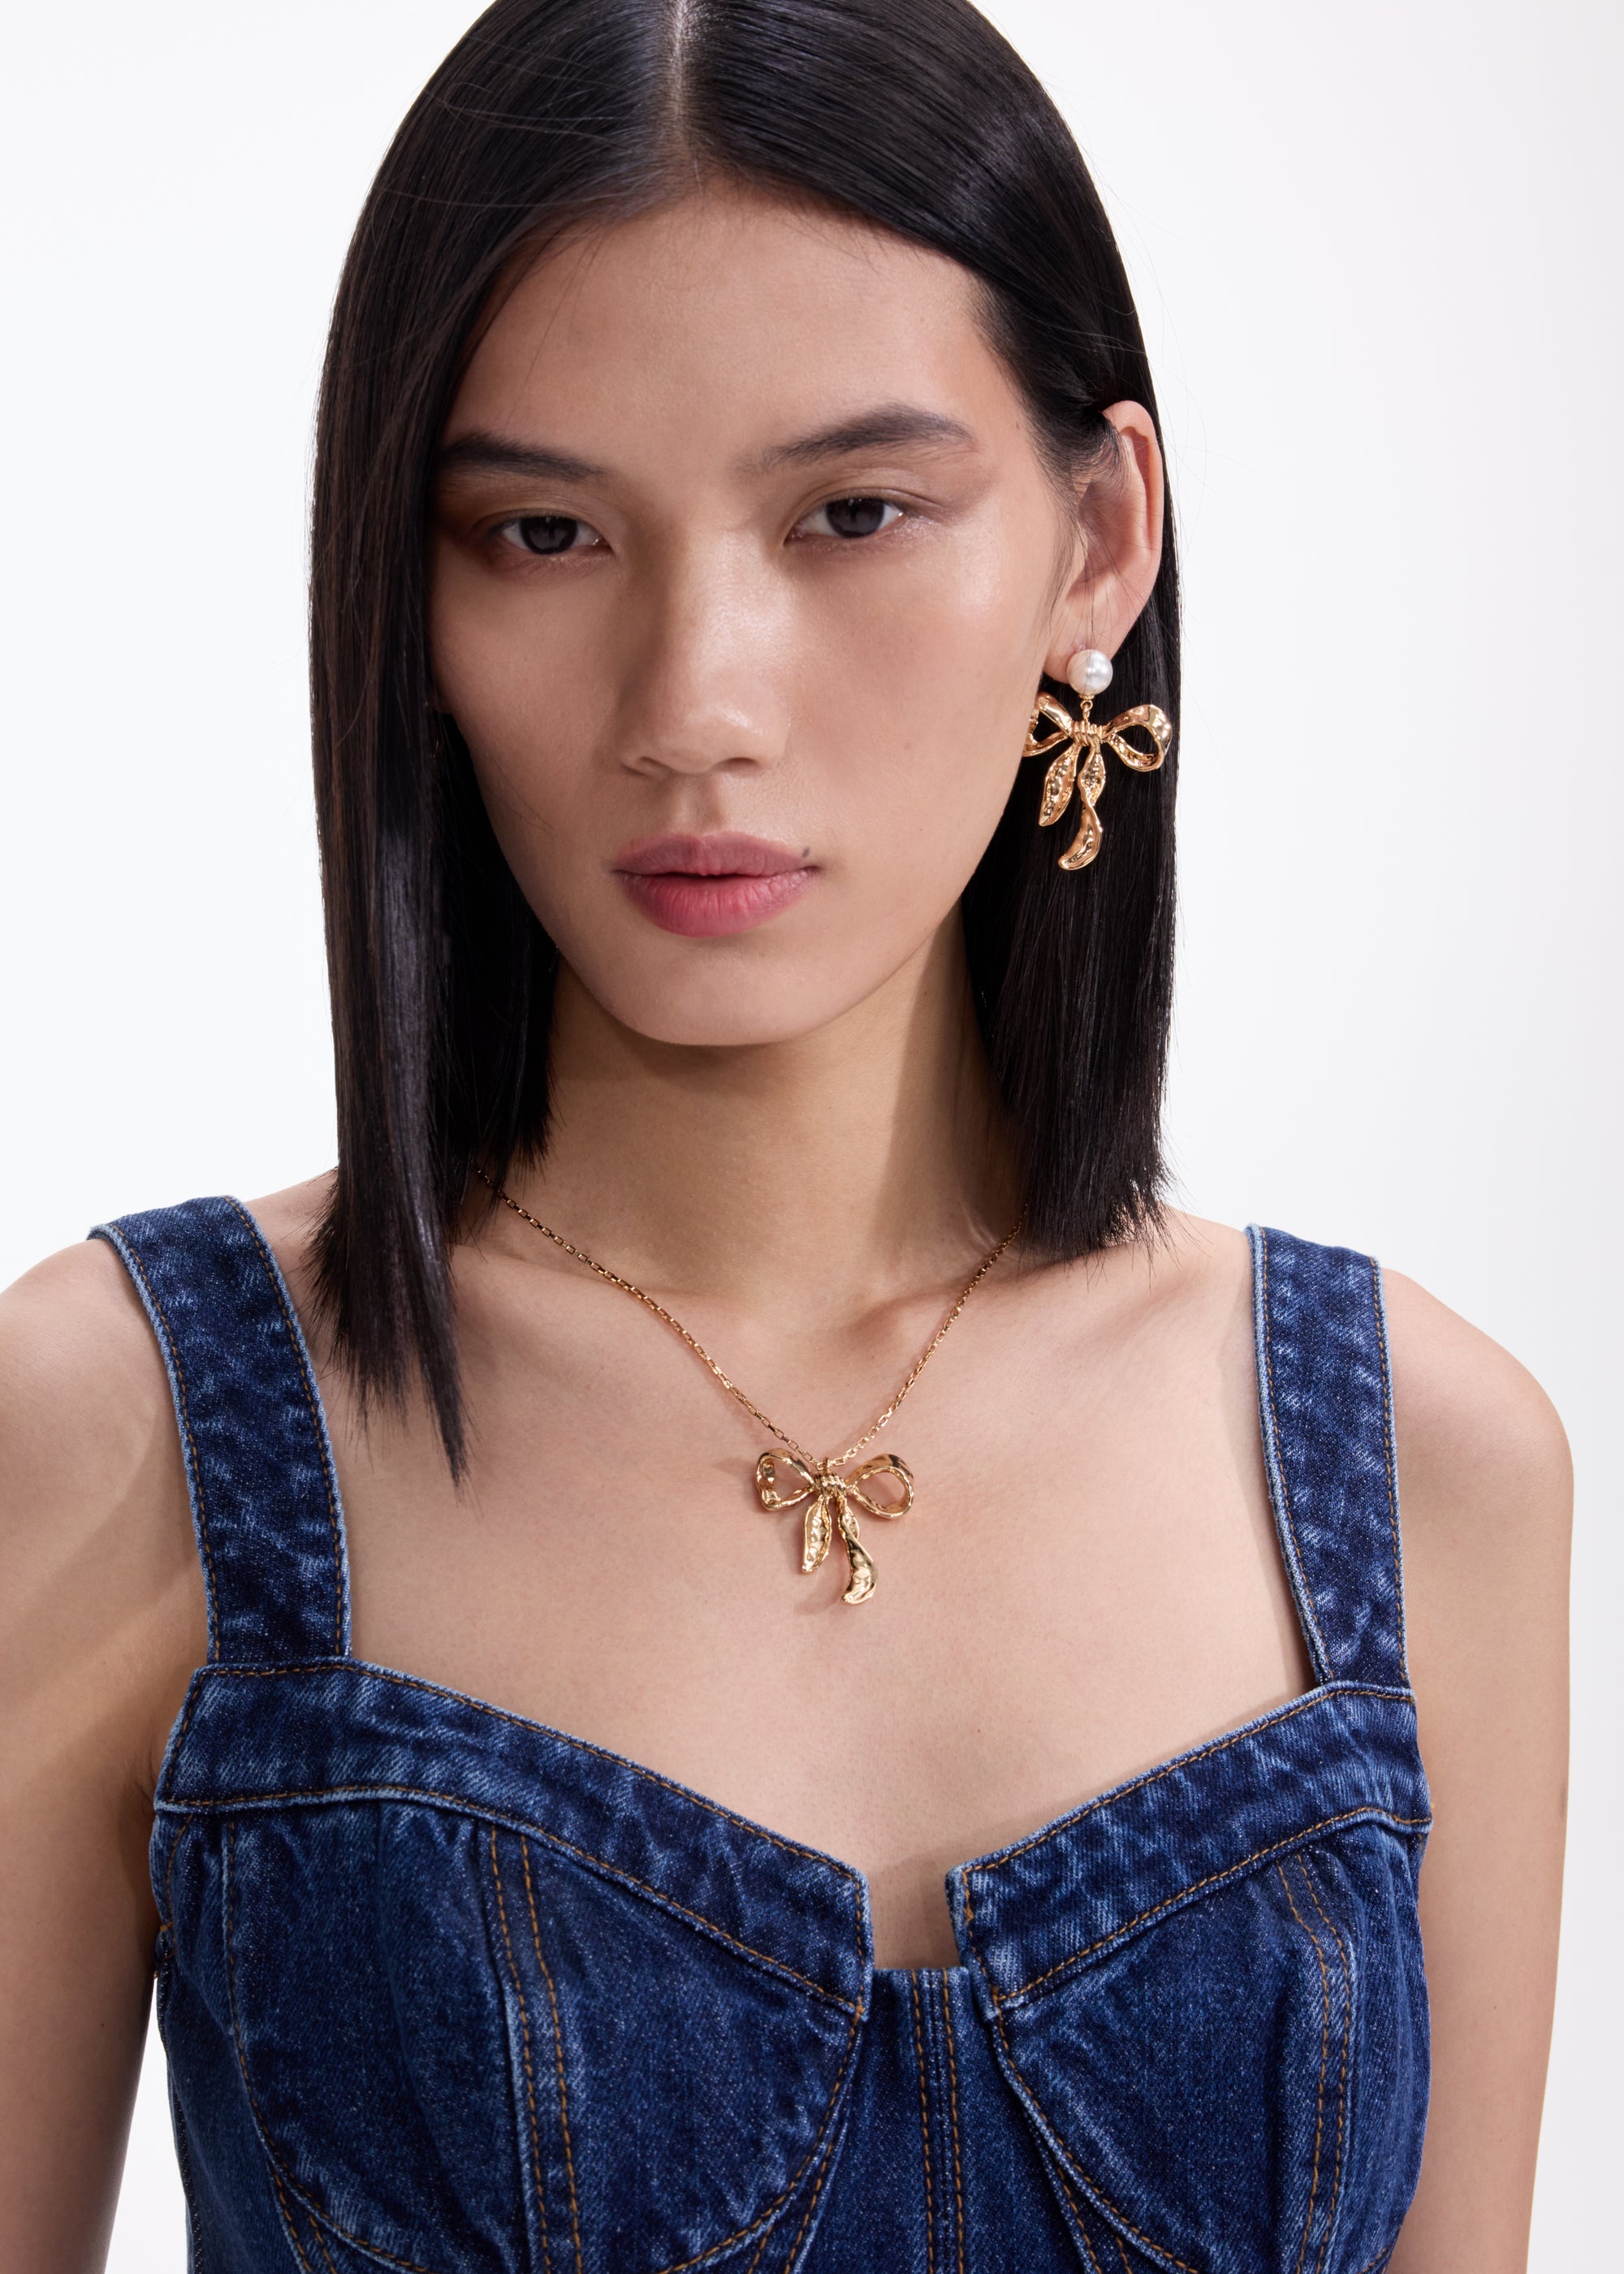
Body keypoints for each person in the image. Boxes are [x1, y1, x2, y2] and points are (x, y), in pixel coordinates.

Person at [0, 1, 1570, 2267]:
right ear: (408, 593)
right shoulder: (119, 1432)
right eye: (546, 532)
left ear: (1099, 540)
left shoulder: (1426, 1473)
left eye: (851, 514)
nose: (693, 704)